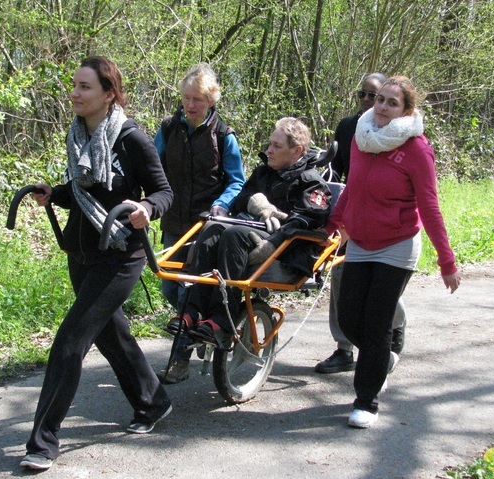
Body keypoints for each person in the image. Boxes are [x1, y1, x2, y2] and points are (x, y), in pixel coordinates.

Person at [19, 56, 174, 471]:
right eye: (74, 85)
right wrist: (56, 194)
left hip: (122, 256)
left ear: (109, 94)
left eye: (85, 87)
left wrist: (145, 208)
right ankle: (152, 401)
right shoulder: (77, 134)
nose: (75, 93)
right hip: (83, 253)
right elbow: (88, 188)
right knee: (111, 335)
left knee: (71, 340)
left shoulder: (131, 139)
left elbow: (163, 192)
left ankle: (42, 440)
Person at [323, 76, 461, 429]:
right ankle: (381, 355)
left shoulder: (416, 149)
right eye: (378, 99)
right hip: (361, 242)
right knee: (350, 317)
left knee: (376, 322)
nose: (381, 107)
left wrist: (447, 261)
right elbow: (353, 188)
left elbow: (429, 206)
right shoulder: (361, 137)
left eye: (391, 102)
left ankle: (366, 401)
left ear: (407, 110)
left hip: (397, 243)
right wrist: (333, 225)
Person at [162, 117, 332, 361]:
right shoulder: (263, 172)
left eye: (276, 146)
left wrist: (273, 242)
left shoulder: (311, 182)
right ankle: (193, 312)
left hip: (286, 254)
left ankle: (222, 320)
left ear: (297, 151)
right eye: (269, 144)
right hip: (251, 240)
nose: (268, 150)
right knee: (212, 228)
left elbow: (310, 220)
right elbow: (240, 199)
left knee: (234, 234)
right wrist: (257, 203)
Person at [153, 63, 245, 384]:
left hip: (207, 231)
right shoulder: (167, 129)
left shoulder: (224, 136)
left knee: (186, 292)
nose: (190, 105)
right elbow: (151, 168)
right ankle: (199, 326)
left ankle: (179, 361)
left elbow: (237, 182)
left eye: (198, 100)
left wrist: (221, 205)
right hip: (175, 224)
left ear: (211, 101)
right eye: (187, 98)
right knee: (169, 286)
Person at [316, 73, 408, 374]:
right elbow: (338, 177)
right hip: (352, 214)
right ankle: (344, 348)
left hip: (390, 228)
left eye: (375, 96)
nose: (369, 101)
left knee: (379, 293)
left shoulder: (402, 135)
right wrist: (333, 219)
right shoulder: (348, 128)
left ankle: (393, 326)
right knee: (341, 278)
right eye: (364, 95)